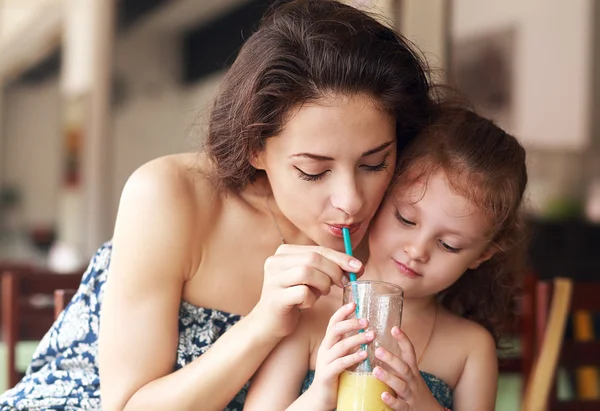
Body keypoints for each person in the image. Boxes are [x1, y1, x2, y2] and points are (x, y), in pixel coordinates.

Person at [0, 1, 433, 410]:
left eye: (374, 163)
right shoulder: (170, 197)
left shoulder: (404, 228)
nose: (351, 201)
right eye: (313, 171)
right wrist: (263, 323)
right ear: (255, 148)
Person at [243, 105, 528, 411]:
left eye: (449, 244)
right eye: (406, 219)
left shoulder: (470, 347)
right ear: (381, 195)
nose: (417, 250)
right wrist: (320, 394)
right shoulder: (309, 313)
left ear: (482, 254)